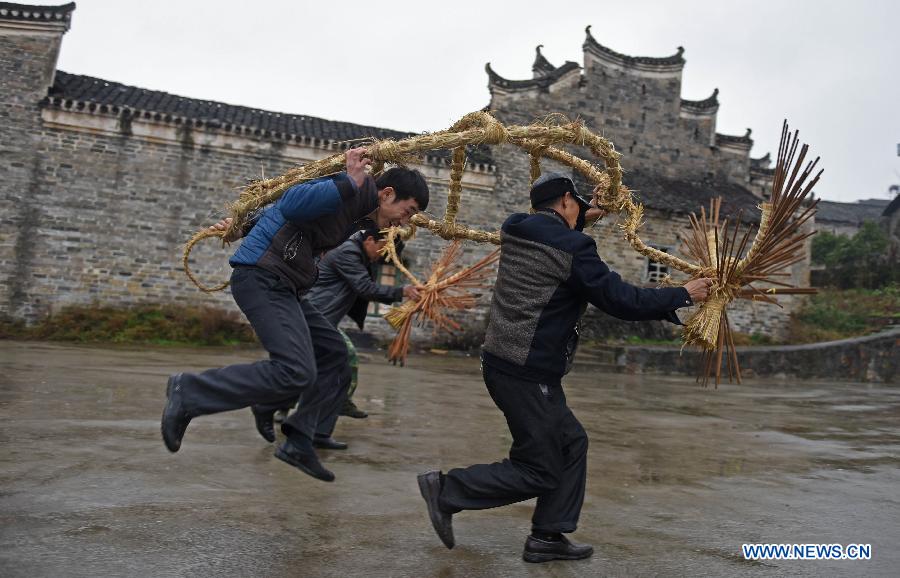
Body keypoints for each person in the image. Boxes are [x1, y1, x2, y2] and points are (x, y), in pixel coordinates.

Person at [416, 172, 713, 562]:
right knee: (539, 468)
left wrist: (583, 214)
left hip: (505, 363)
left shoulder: (516, 228)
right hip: (527, 371)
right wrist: (683, 294)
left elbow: (553, 230)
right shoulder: (574, 247)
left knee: (571, 443)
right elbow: (621, 300)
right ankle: (448, 490)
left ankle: (548, 536)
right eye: (577, 205)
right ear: (568, 203)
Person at [160, 148, 429, 483]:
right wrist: (348, 181)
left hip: (286, 286)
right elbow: (292, 202)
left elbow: (287, 216)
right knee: (294, 371)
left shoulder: (360, 215)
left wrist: (244, 226)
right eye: (409, 210)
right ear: (387, 194)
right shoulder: (347, 188)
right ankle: (191, 391)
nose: (405, 221)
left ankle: (299, 440)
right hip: (262, 277)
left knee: (335, 357)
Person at [249, 226, 420, 448]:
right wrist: (402, 291)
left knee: (334, 373)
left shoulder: (360, 255)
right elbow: (364, 288)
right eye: (382, 250)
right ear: (369, 240)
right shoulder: (348, 253)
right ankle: (272, 408)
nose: (381, 257)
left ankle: (315, 430)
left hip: (323, 321)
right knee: (313, 372)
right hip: (311, 320)